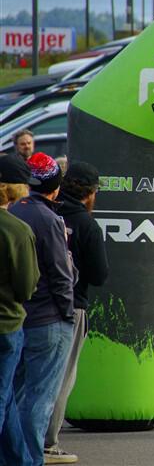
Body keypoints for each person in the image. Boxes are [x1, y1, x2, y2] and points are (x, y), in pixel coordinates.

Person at [8, 153, 76, 465]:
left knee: (13, 395)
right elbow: (63, 275)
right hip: (48, 318)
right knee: (40, 398)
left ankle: (14, 456)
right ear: (56, 188)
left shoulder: (16, 211)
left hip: (19, 317)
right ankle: (31, 459)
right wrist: (66, 313)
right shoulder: (49, 220)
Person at [44, 161, 108, 464]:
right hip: (72, 306)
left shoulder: (47, 213)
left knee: (32, 377)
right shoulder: (86, 225)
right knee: (61, 378)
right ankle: (47, 443)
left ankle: (23, 437)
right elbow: (99, 275)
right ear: (91, 193)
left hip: (35, 304)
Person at [0, 154, 41, 465]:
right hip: (6, 325)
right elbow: (26, 286)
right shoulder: (17, 230)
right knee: (2, 397)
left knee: (8, 398)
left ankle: (22, 460)